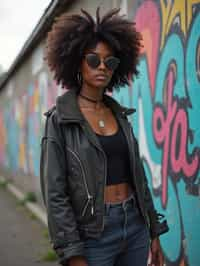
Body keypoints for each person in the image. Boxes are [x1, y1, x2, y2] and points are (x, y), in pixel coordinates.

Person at [40, 7, 169, 266]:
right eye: (93, 60)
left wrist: (153, 230)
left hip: (134, 226)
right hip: (93, 234)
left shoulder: (120, 115)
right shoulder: (61, 120)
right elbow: (55, 194)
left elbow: (139, 178)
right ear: (77, 61)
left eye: (110, 61)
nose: (102, 67)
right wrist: (72, 252)